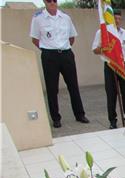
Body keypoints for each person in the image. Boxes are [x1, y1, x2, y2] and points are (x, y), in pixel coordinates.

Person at [30, 0, 89, 128]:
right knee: (52, 88)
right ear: (44, 2)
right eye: (49, 0)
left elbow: (72, 37)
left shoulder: (65, 17)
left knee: (73, 85)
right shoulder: (38, 18)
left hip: (66, 54)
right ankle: (56, 118)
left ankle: (80, 114)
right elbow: (35, 39)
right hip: (49, 56)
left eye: (55, 0)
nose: (52, 2)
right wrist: (47, 49)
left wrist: (63, 48)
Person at [92, 9, 125, 129]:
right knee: (111, 94)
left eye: (119, 19)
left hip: (124, 65)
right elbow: (95, 50)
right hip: (110, 65)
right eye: (115, 18)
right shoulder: (102, 32)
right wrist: (103, 48)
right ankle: (112, 120)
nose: (117, 21)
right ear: (109, 19)